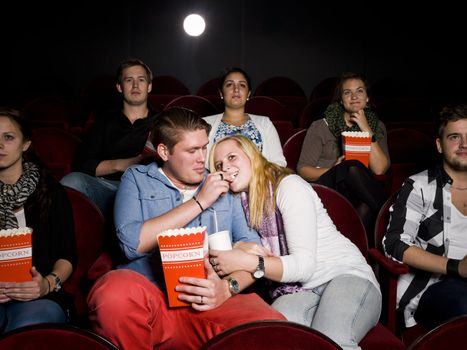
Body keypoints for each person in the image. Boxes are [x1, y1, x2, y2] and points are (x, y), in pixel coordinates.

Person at [86, 108, 285, 350]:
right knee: (113, 293)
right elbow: (132, 244)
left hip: (210, 302)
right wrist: (200, 201)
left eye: (204, 147)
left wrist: (227, 288)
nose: (203, 158)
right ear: (164, 151)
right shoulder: (136, 178)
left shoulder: (221, 183)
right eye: (192, 151)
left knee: (275, 328)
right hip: (152, 298)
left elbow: (254, 254)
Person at [209, 134, 382, 350]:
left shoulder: (289, 186)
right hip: (300, 290)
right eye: (218, 165)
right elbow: (244, 247)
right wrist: (238, 249)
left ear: (252, 155)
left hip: (345, 275)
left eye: (232, 157)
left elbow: (303, 267)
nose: (225, 167)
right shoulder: (240, 202)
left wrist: (247, 260)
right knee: (277, 337)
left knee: (334, 339)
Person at [383, 102, 467, 331]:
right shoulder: (419, 186)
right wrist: (456, 267)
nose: (464, 144)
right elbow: (395, 245)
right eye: (454, 137)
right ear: (440, 145)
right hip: (433, 288)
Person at [0, 108, 77, 333]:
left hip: (40, 295)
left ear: (25, 144)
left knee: (26, 330)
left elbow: (67, 255)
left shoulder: (51, 191)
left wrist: (47, 284)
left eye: (9, 137)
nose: (0, 145)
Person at [297, 72, 390, 244]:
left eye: (360, 91)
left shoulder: (378, 127)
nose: (354, 96)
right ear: (341, 99)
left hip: (361, 192)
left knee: (365, 207)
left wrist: (365, 128)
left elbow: (380, 168)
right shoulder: (320, 127)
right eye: (347, 92)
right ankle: (392, 219)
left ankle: (355, 256)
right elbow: (303, 170)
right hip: (329, 188)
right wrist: (335, 168)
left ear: (367, 97)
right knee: (351, 165)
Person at [60, 58, 157, 218]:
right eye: (128, 80)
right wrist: (123, 164)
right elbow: (83, 163)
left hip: (147, 189)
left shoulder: (162, 122)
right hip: (108, 187)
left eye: (141, 80)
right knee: (72, 181)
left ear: (149, 86)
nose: (135, 85)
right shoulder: (104, 122)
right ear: (119, 87)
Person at [203, 67, 286, 167]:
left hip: (260, 181)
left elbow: (279, 162)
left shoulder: (265, 123)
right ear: (221, 93)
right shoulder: (205, 124)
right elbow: (201, 164)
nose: (236, 89)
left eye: (242, 85)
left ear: (248, 93)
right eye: (229, 85)